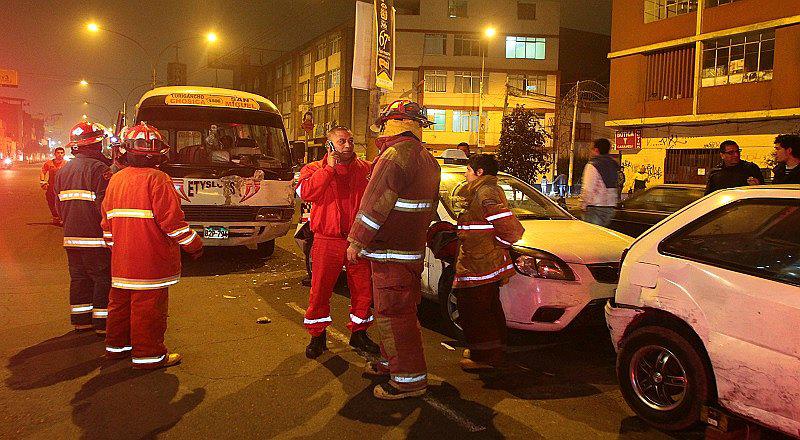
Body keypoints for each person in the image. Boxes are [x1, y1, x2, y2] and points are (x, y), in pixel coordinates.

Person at [346, 100, 440, 400]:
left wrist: (356, 241)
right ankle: (391, 363)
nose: (383, 129)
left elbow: (376, 204)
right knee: (396, 312)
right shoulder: (427, 159)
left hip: (390, 254)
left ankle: (408, 380)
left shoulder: (394, 156)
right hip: (408, 253)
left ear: (395, 123)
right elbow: (429, 208)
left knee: (395, 316)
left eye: (385, 123)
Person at [101, 123, 203, 369]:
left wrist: (118, 249)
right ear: (159, 152)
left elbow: (106, 223)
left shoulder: (116, 179)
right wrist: (194, 244)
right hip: (151, 262)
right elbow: (172, 222)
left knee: (119, 306)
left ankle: (117, 348)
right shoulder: (159, 180)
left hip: (122, 261)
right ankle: (149, 356)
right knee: (148, 310)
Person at [297, 126, 379, 359]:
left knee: (363, 290)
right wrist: (329, 170)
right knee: (320, 290)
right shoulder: (314, 169)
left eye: (350, 141)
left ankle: (359, 333)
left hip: (357, 240)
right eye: (342, 141)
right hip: (327, 239)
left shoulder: (365, 169)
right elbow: (305, 193)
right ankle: (317, 336)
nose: (348, 145)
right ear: (330, 145)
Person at [452, 154, 524, 373]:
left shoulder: (485, 192)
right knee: (487, 308)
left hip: (480, 264)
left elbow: (512, 230)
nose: (466, 174)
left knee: (475, 311)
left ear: (479, 172)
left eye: (468, 170)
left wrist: (496, 245)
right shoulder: (483, 191)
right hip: (478, 262)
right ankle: (489, 352)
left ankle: (485, 357)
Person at [52, 122, 112, 334]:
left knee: (79, 278)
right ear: (96, 144)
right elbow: (104, 207)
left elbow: (58, 205)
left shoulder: (63, 171)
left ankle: (81, 320)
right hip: (95, 237)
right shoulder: (100, 170)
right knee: (102, 278)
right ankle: (102, 323)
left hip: (71, 237)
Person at [580, 138, 620, 227]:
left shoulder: (593, 165)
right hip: (610, 207)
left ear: (596, 150)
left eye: (591, 149)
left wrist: (583, 204)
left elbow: (588, 188)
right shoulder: (613, 164)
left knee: (592, 233)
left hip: (595, 207)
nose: (590, 151)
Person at [40, 146, 67, 225]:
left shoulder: (66, 164)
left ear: (64, 154)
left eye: (61, 153)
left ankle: (62, 217)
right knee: (51, 201)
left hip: (63, 187)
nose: (60, 154)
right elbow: (43, 171)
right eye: (58, 153)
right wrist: (42, 181)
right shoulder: (49, 163)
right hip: (51, 186)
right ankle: (55, 216)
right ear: (55, 154)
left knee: (62, 202)